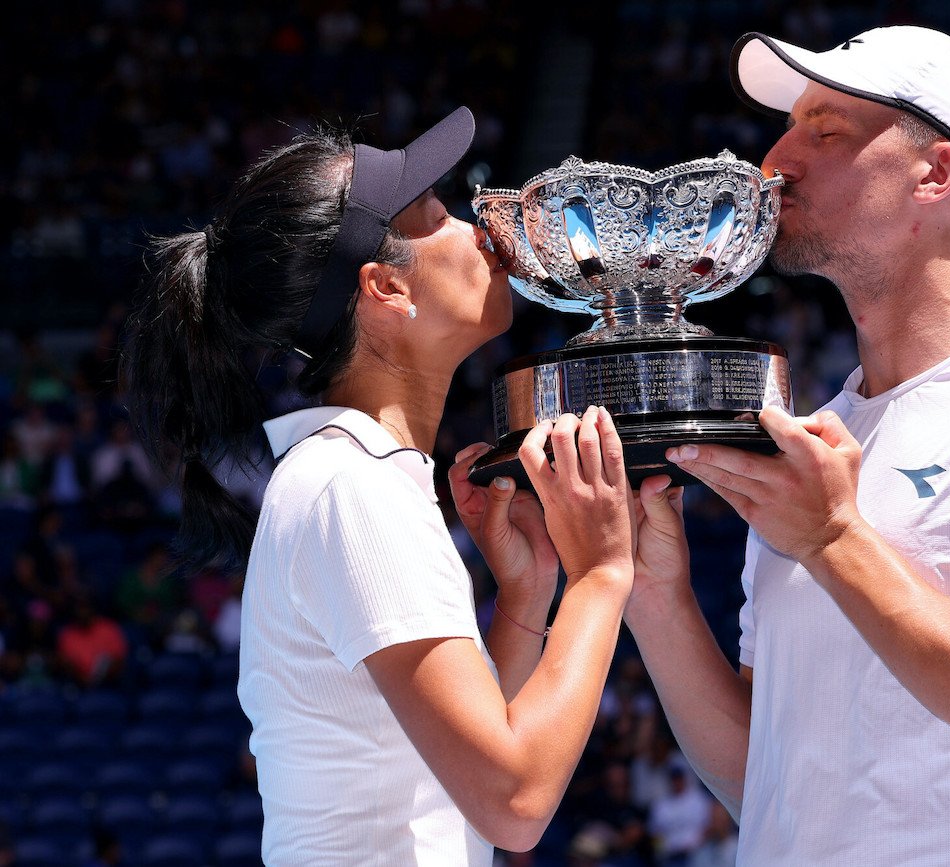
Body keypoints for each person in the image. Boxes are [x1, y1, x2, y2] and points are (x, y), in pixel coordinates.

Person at [624, 26, 950, 864]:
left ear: (935, 174)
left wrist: (834, 540)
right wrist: (652, 591)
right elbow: (760, 774)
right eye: (790, 125)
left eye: (824, 130)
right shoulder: (816, 440)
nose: (776, 158)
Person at [122, 107, 635, 865]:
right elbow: (514, 801)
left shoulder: (349, 475)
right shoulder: (350, 488)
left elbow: (457, 776)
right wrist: (602, 575)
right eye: (438, 212)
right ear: (387, 286)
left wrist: (525, 603)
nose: (478, 227)